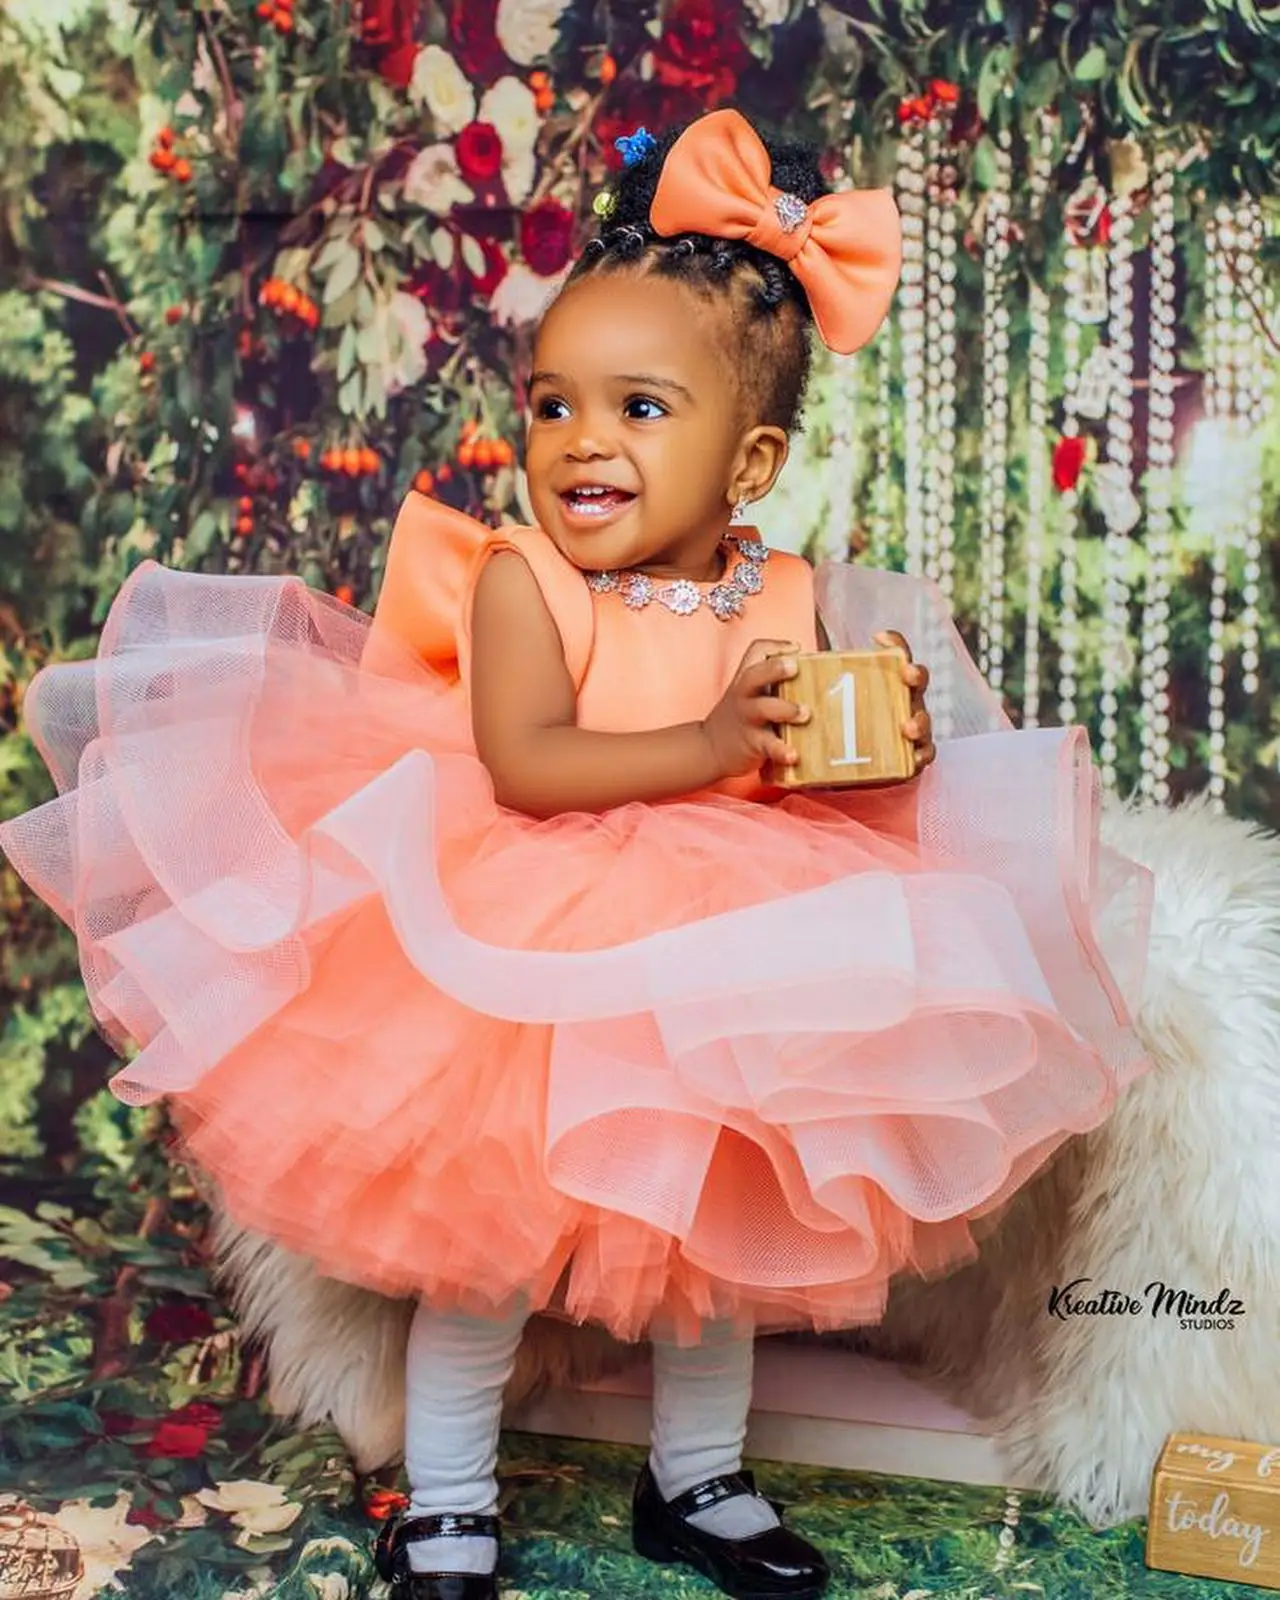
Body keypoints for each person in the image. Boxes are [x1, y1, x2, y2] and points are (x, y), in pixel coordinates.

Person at [0, 110, 1153, 1600]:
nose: (582, 442)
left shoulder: (793, 590)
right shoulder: (517, 580)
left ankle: (698, 1479)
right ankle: (455, 1496)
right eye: (554, 406)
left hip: (728, 953)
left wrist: (873, 747)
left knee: (714, 1253)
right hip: (530, 941)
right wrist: (723, 745)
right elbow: (532, 765)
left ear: (750, 459)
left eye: (639, 407)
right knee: (483, 1252)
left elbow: (807, 789)